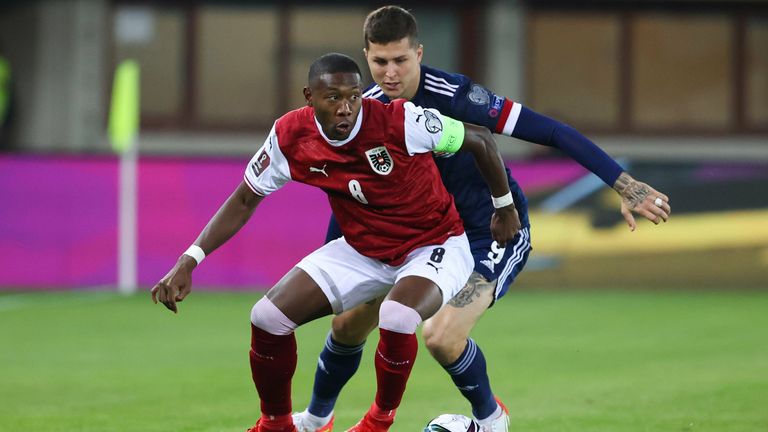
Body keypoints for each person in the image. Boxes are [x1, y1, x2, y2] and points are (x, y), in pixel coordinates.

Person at [291, 6, 672, 432]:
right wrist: (334, 261)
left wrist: (623, 184)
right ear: (366, 58)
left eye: (401, 60)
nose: (390, 73)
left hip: (486, 230)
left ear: (419, 53)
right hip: (411, 237)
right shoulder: (364, 112)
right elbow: (350, 195)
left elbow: (551, 131)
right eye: (380, 62)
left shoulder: (457, 96)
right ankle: (315, 420)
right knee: (348, 322)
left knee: (440, 336)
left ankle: (492, 421)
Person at [151, 52, 523, 432]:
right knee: (267, 317)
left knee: (396, 317)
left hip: (434, 244)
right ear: (309, 97)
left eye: (354, 96)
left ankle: (378, 421)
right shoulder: (289, 136)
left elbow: (479, 139)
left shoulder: (400, 121)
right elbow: (245, 198)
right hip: (362, 249)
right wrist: (189, 260)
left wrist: (504, 207)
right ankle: (277, 424)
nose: (346, 108)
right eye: (333, 98)